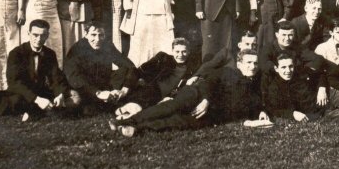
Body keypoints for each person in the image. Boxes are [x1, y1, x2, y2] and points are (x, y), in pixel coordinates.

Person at [114, 49, 269, 137]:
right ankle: (129, 120)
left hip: (211, 114)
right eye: (249, 62)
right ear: (240, 63)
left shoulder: (255, 83)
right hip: (197, 95)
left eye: (255, 63)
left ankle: (137, 129)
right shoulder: (227, 71)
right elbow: (209, 82)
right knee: (172, 107)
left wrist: (261, 112)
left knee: (181, 122)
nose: (253, 66)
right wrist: (205, 100)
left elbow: (254, 102)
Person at [0, 19, 81, 121]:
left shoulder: (50, 53)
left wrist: (59, 94)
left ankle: (34, 113)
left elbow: (56, 78)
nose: (39, 39)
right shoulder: (16, 53)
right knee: (15, 100)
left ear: (47, 35)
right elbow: (14, 83)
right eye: (35, 35)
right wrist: (37, 100)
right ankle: (43, 112)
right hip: (23, 94)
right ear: (28, 33)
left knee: (75, 97)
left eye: (43, 35)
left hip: (41, 92)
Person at [114, 37, 214, 120]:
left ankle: (131, 115)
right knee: (146, 96)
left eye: (184, 52)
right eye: (177, 51)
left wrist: (172, 96)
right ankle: (130, 110)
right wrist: (125, 88)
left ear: (188, 52)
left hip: (172, 96)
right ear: (172, 51)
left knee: (161, 110)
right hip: (154, 90)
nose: (180, 55)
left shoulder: (193, 67)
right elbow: (137, 70)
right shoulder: (162, 58)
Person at [63, 22, 138, 109]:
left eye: (101, 35)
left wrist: (125, 89)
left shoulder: (107, 45)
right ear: (86, 35)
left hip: (103, 84)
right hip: (86, 88)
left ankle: (113, 97)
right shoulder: (77, 49)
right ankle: (104, 102)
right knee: (78, 101)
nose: (98, 39)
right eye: (93, 35)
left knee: (125, 71)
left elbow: (129, 65)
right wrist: (97, 93)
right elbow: (74, 78)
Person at [262, 52, 323, 122]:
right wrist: (292, 114)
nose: (288, 71)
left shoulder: (299, 73)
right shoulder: (274, 87)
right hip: (313, 114)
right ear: (276, 69)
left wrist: (322, 88)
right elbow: (273, 109)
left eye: (290, 66)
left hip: (322, 104)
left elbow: (320, 74)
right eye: (283, 67)